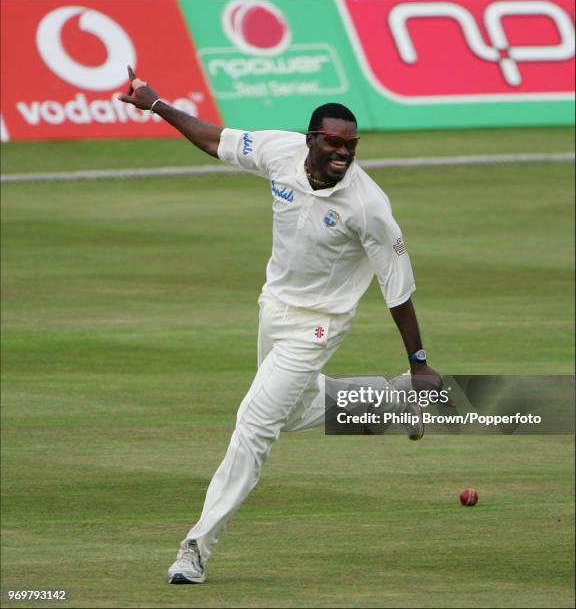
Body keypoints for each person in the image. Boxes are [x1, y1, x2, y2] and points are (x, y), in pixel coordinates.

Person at [119, 66, 443, 585]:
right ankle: (394, 400)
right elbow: (215, 140)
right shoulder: (280, 151)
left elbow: (397, 289)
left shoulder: (370, 207)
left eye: (351, 144)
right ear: (311, 139)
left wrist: (420, 361)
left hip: (320, 325)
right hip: (275, 308)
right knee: (290, 414)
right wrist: (156, 105)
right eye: (333, 142)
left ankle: (196, 547)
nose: (343, 151)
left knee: (255, 423)